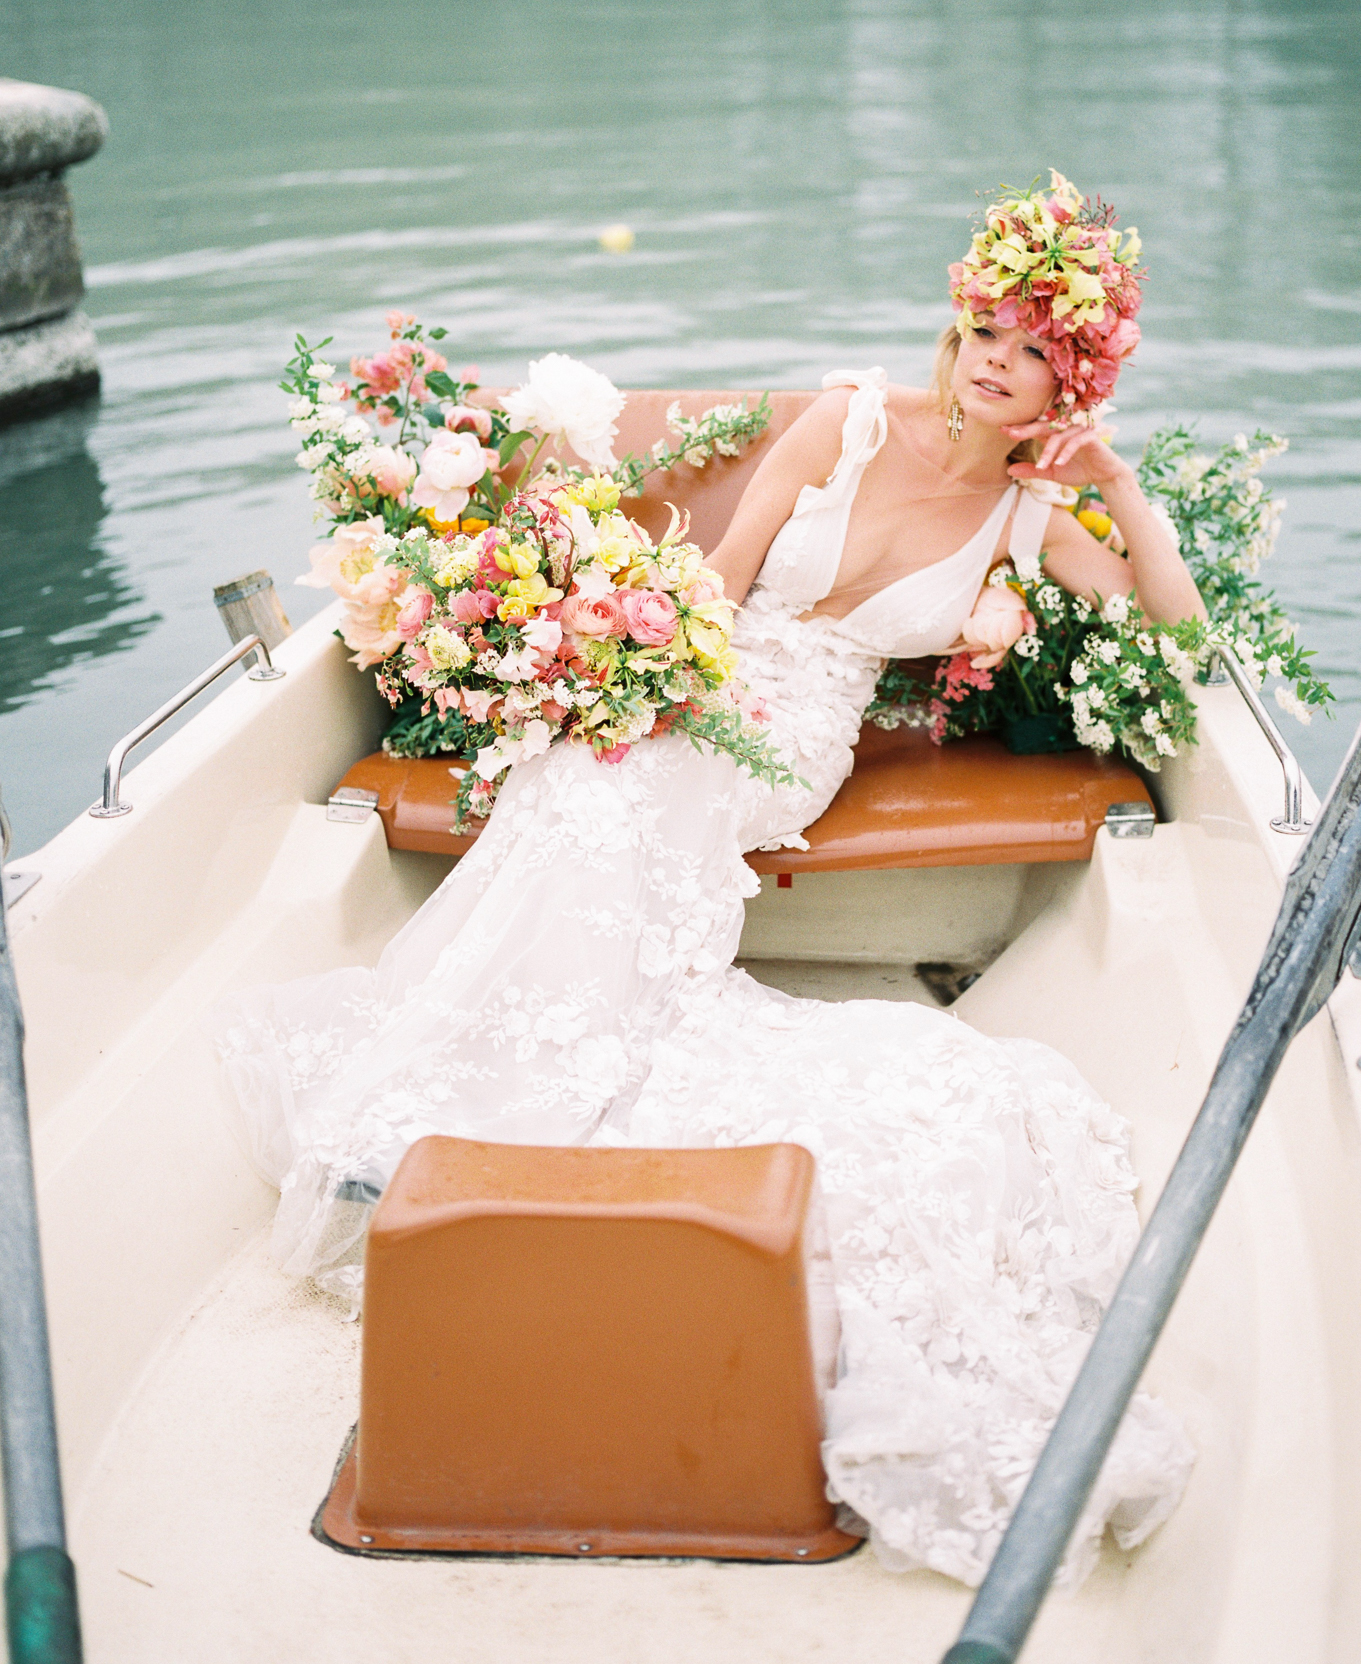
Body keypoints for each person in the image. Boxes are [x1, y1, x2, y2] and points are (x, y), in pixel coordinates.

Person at [216, 184, 1202, 1589]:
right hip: (708, 672)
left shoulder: (1031, 516)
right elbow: (720, 581)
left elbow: (1176, 623)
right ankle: (479, 1091)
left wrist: (1115, 484)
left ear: (1071, 376)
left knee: (624, 799)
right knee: (594, 781)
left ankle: (512, 1102)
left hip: (795, 740)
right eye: (982, 323)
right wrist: (645, 678)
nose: (990, 355)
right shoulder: (848, 417)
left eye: (1030, 344)